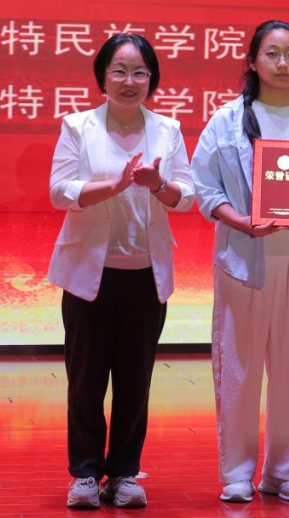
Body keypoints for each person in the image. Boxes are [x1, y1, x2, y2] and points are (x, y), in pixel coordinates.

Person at [191, 19, 289, 504]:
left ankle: (284, 472)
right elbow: (204, 188)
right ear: (253, 61)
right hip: (244, 261)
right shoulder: (226, 120)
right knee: (238, 368)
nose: (283, 64)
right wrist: (240, 221)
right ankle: (237, 472)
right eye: (272, 54)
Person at [48, 33, 195, 509]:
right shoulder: (78, 126)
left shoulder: (168, 130)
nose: (129, 81)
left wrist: (158, 185)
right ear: (102, 77)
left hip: (145, 276)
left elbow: (187, 197)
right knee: (85, 381)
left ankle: (125, 474)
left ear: (151, 79)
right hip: (88, 276)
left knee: (135, 381)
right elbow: (59, 191)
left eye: (139, 72)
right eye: (119, 71)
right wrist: (109, 186)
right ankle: (85, 475)